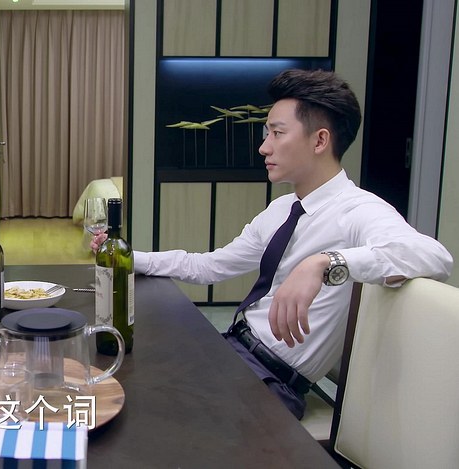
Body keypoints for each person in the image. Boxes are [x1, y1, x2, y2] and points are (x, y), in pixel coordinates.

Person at [92, 69, 453, 419]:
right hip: (234, 349)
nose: (264, 147)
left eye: (277, 133)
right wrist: (128, 256)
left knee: (141, 409)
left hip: (271, 381)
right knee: (120, 374)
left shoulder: (358, 210)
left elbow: (434, 256)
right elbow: (210, 266)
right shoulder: (282, 209)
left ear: (320, 141)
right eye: (267, 134)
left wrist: (323, 263)